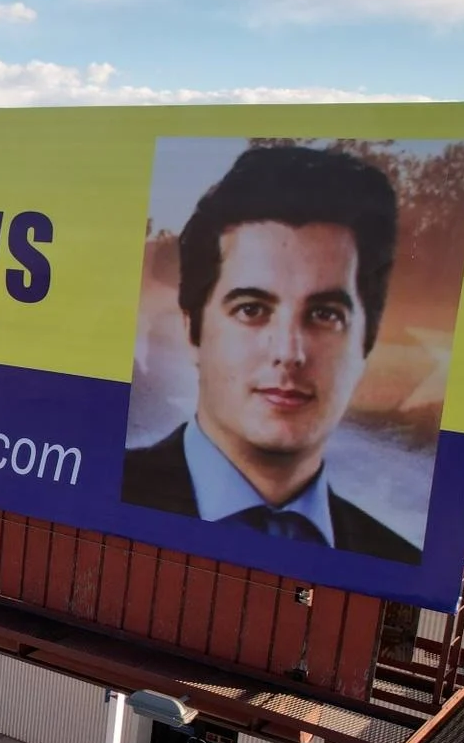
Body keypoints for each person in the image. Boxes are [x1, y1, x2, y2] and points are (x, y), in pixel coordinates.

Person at [120, 145, 420, 564]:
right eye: (252, 310)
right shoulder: (113, 486)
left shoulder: (395, 558)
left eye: (324, 314)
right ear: (192, 328)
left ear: (365, 342)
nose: (289, 352)